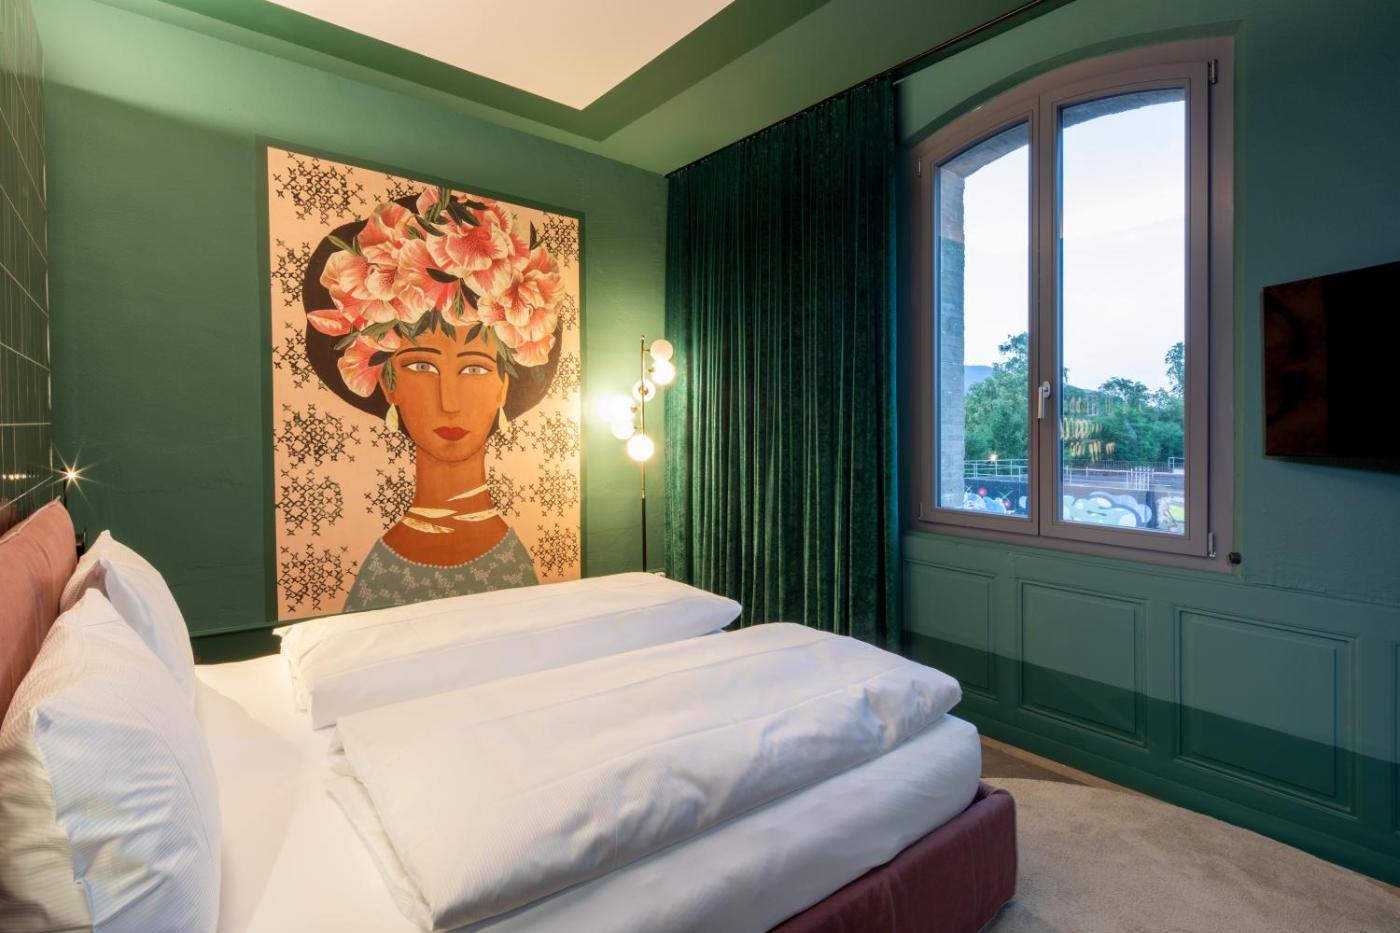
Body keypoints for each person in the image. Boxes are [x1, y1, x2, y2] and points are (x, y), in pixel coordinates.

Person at [300, 186, 564, 610]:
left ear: (504, 385)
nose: (449, 401)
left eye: (475, 368)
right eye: (422, 366)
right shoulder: (381, 577)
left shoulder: (516, 566)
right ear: (386, 382)